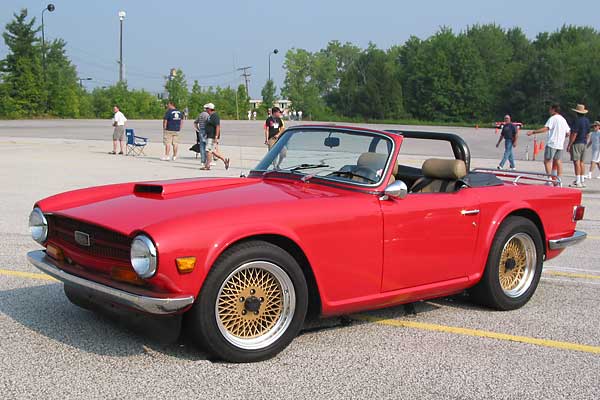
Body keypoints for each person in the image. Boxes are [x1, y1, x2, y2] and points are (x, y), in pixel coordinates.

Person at [527, 104, 570, 185]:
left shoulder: (553, 119)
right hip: (560, 144)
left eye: (550, 109)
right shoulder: (563, 119)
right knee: (558, 161)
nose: (549, 111)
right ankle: (559, 179)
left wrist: (533, 132)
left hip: (552, 143)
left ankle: (549, 179)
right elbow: (568, 133)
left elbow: (546, 128)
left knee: (547, 161)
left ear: (553, 110)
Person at [567, 104, 590, 187]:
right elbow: (588, 133)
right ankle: (582, 180)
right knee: (582, 162)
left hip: (577, 143)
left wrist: (570, 144)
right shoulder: (587, 121)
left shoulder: (576, 121)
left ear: (576, 112)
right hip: (584, 142)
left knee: (576, 162)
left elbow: (574, 134)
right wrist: (585, 141)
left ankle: (578, 181)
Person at [203, 103, 230, 170]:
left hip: (212, 136)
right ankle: (224, 160)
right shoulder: (210, 116)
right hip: (209, 135)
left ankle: (207, 166)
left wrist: (216, 136)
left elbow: (217, 126)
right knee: (212, 151)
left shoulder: (215, 116)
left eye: (206, 109)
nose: (205, 110)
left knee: (208, 150)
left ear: (209, 109)